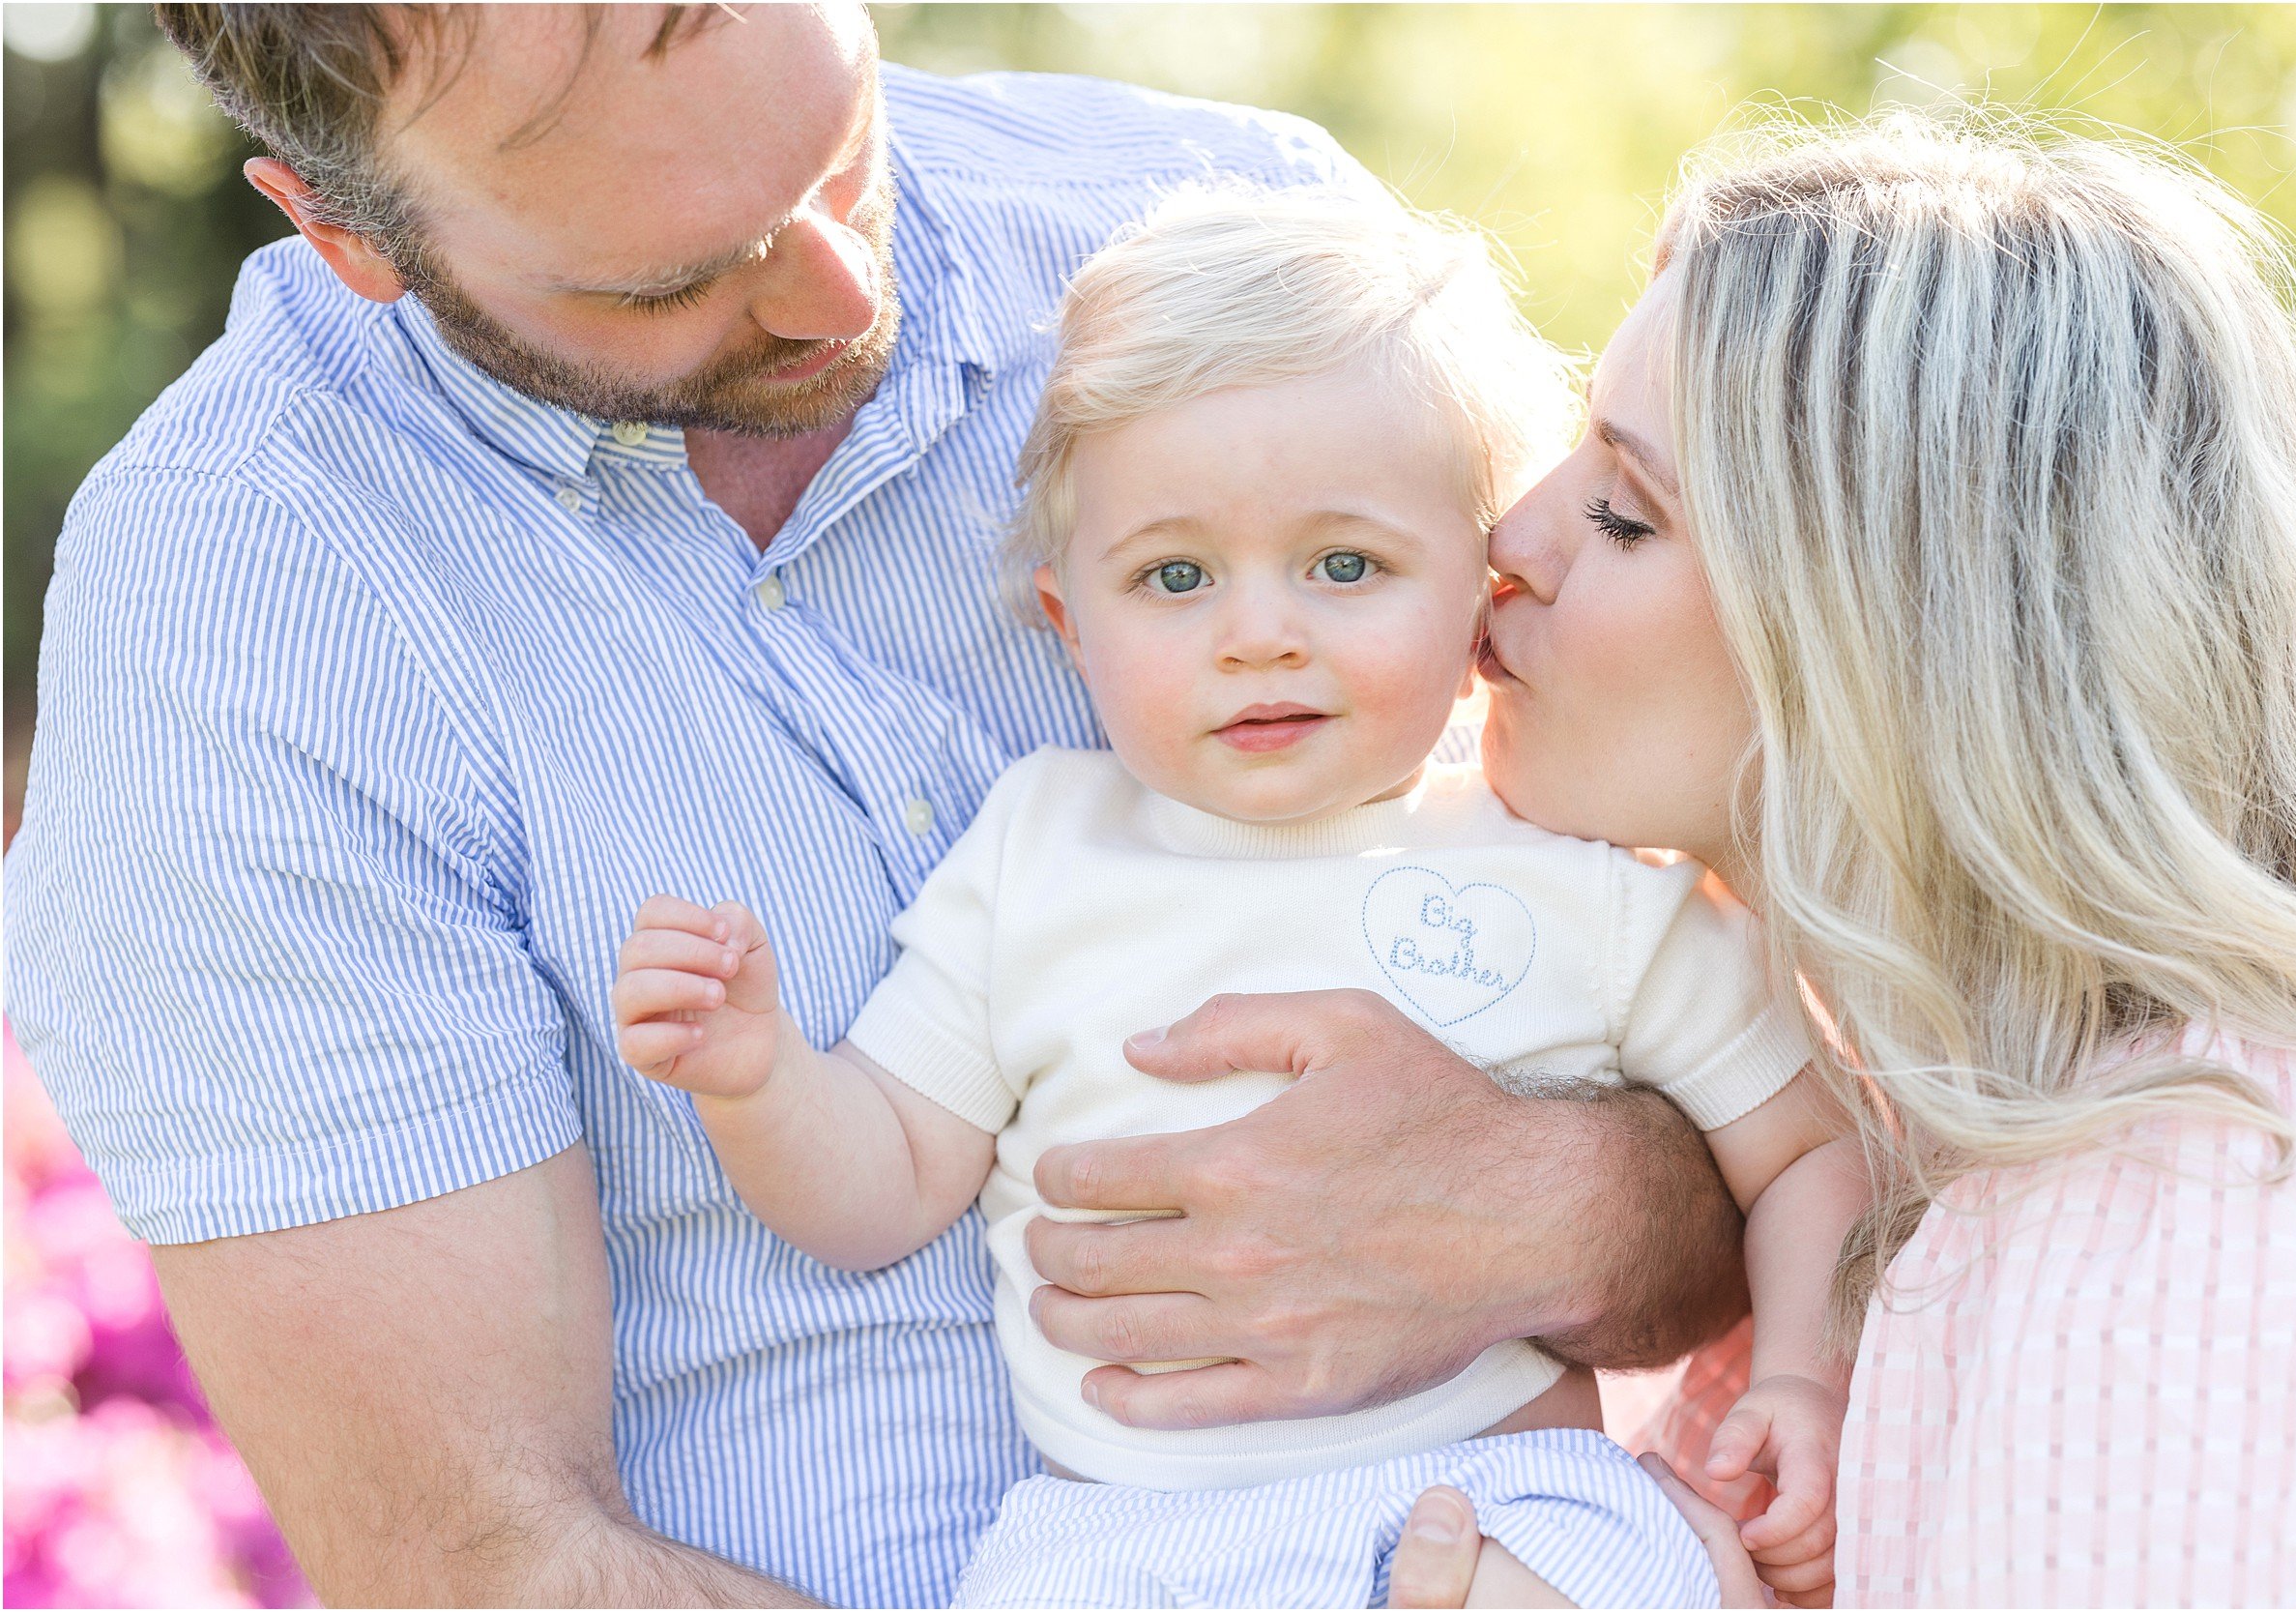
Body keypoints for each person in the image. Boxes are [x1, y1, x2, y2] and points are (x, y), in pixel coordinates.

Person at [5, 6, 1755, 1602]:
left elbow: (1694, 949)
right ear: (343, 232)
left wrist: (1565, 1203)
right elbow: (487, 1559)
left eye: (845, 155)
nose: (847, 294)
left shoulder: (1237, 249)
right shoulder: (234, 630)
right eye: (676, 278)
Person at [1159, 111, 2296, 1606]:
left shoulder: (2194, 1205)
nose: (1513, 535)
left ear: (1899, 650)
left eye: (1624, 513)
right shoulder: (1885, 1140)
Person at [612, 185, 1867, 1607]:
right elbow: (884, 1183)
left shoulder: (1573, 875)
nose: (1259, 635)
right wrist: (755, 1074)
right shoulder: (1038, 853)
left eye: (1346, 565)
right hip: (1120, 1539)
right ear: (1070, 627)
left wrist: (1802, 1385)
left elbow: (1812, 1153)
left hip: (1502, 1495)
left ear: (1481, 589)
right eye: (1176, 576)